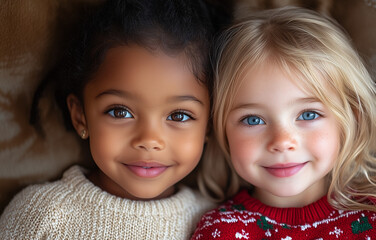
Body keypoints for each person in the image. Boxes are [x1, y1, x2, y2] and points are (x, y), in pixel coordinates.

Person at [192, 6, 376, 240]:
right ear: (221, 129)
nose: (282, 142)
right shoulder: (221, 230)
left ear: (351, 120)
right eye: (253, 120)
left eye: (308, 115)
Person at [0, 0, 225, 238]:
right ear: (81, 117)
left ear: (209, 124)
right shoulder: (39, 215)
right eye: (120, 112)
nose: (149, 140)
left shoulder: (216, 222)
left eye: (179, 115)